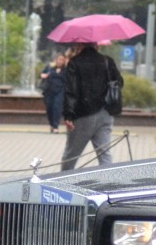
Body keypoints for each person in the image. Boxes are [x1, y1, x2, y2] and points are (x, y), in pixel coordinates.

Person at [60, 42, 123, 170]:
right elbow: (119, 82)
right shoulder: (107, 61)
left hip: (83, 115)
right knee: (105, 155)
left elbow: (71, 91)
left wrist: (68, 115)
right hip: (105, 114)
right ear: (96, 46)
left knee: (71, 155)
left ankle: (63, 182)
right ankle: (109, 183)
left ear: (80, 46)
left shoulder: (75, 62)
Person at [38, 48, 70, 132]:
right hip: (49, 90)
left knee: (57, 107)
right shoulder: (49, 67)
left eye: (63, 60)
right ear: (56, 60)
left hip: (60, 91)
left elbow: (67, 79)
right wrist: (44, 75)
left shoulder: (66, 69)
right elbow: (42, 74)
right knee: (49, 108)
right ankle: (52, 124)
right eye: (59, 59)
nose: (61, 61)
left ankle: (56, 126)